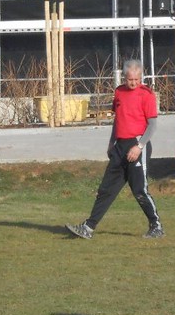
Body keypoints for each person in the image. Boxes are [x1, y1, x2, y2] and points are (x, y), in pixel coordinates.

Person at [65, 59, 164, 239]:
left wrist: (139, 147)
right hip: (120, 146)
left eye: (136, 79)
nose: (133, 83)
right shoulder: (119, 92)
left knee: (139, 190)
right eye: (130, 79)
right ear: (124, 77)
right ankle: (88, 227)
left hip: (137, 145)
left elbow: (152, 126)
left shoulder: (146, 95)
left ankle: (156, 226)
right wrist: (112, 142)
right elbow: (118, 119)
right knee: (106, 189)